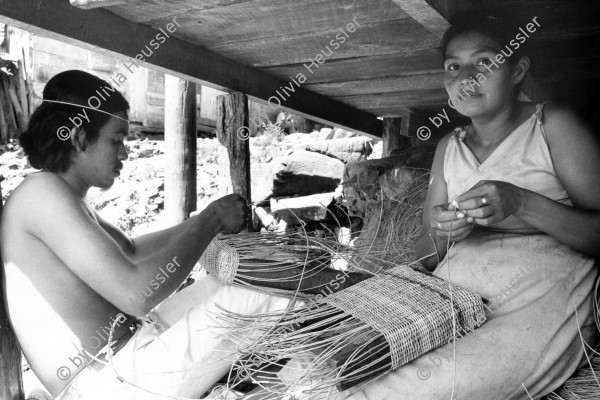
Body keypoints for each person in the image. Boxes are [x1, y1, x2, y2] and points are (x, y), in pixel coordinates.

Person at [340, 13, 600, 400]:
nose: (467, 77)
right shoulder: (450, 146)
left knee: (403, 392)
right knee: (337, 371)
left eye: (485, 61)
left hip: (538, 301)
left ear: (517, 70)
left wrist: (523, 204)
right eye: (453, 66)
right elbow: (426, 256)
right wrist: (442, 233)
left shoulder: (552, 125)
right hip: (450, 297)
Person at [0, 70, 296, 400]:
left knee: (231, 284)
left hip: (128, 357)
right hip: (110, 384)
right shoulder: (41, 194)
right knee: (271, 290)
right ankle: (332, 344)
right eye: (116, 140)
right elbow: (136, 295)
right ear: (79, 138)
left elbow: (130, 252)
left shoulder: (58, 192)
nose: (125, 152)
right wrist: (211, 221)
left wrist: (200, 222)